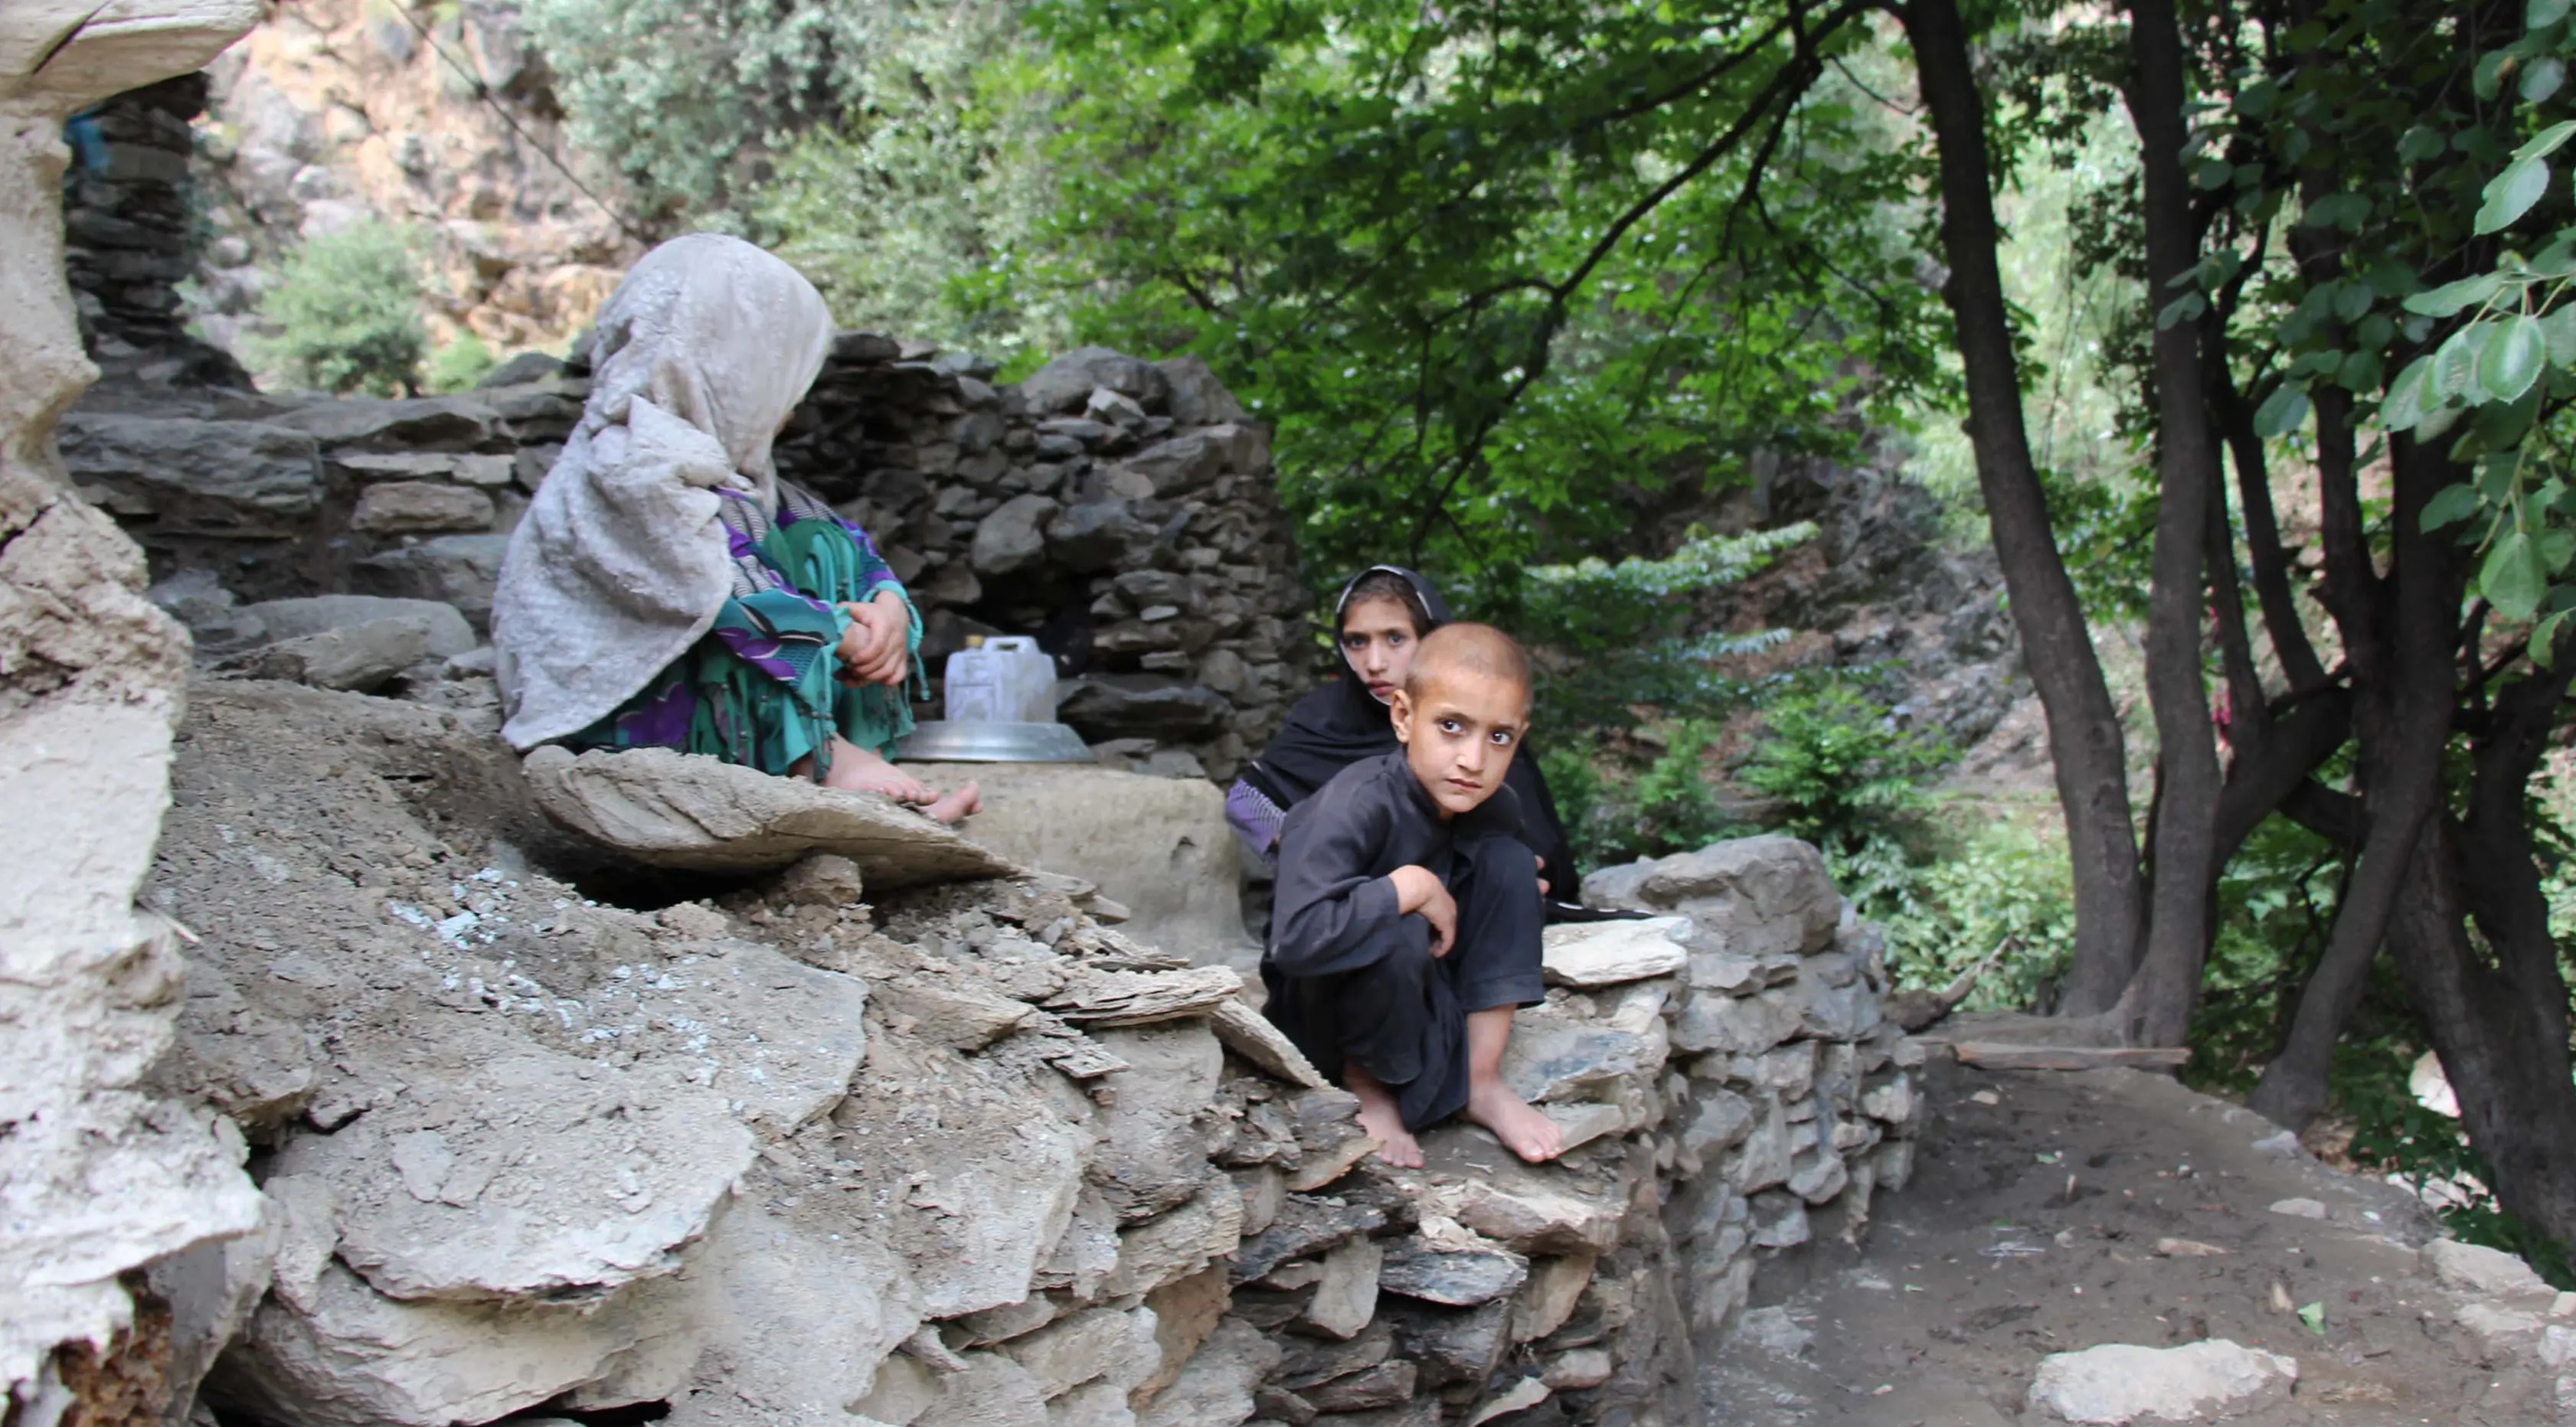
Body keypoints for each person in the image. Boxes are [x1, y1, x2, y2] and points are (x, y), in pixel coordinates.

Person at [491, 233, 979, 823]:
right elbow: (717, 589)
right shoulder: (629, 463)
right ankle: (823, 763)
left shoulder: (738, 477)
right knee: (733, 616)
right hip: (627, 720)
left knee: (817, 545)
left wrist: (887, 607)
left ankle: (849, 752)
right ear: (727, 362)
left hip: (711, 705)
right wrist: (837, 633)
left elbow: (846, 542)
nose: (793, 403)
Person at [1263, 622, 1563, 1169]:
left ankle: (1481, 1081)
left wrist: (1507, 895)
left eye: (1499, 737)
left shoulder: (1495, 806)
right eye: (1451, 726)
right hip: (1324, 1007)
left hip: (1423, 990)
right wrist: (1409, 888)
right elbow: (1295, 942)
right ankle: (1369, 1089)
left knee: (1512, 864)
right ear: (1403, 717)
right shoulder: (1352, 806)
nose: (1473, 759)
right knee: (1397, 921)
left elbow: (1495, 901)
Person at [1230, 566, 1587, 915]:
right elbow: (1245, 802)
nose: (1374, 662)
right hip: (1366, 919)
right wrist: (1318, 862)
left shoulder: (1484, 721)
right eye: (1357, 641)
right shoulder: (1322, 720)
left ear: (1431, 637)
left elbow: (1535, 853)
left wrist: (1517, 877)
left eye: (1395, 638)